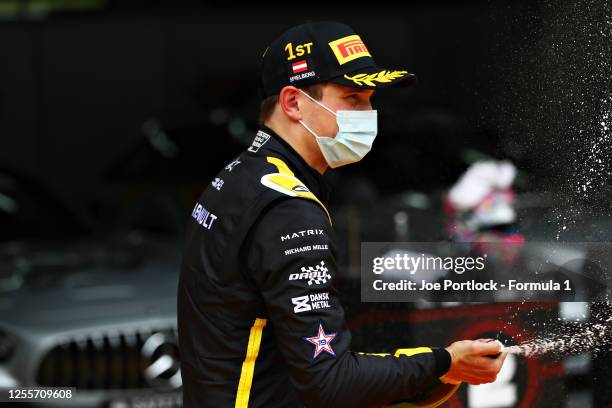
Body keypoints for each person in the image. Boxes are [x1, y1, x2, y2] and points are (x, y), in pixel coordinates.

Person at [177, 21, 507, 408]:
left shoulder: (240, 177)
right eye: (352, 97)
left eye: (370, 99)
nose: (368, 113)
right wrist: (444, 363)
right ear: (293, 102)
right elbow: (330, 384)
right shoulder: (289, 211)